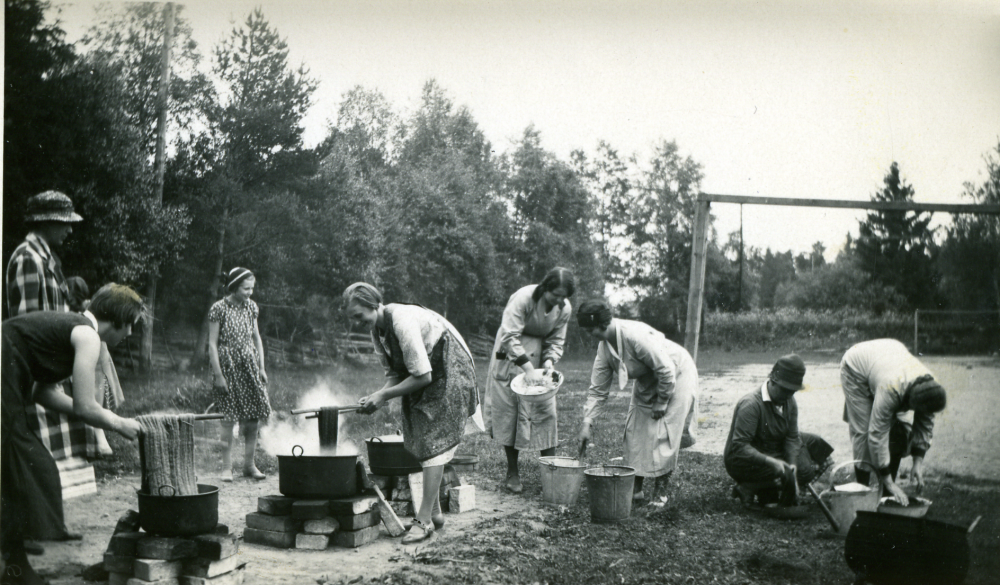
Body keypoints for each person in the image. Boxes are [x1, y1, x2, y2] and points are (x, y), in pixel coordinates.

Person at [1, 284, 144, 585]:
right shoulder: (88, 336)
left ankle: (14, 562)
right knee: (21, 463)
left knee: (24, 464)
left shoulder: (77, 330)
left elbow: (44, 393)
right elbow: (85, 407)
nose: (129, 333)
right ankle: (16, 567)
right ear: (117, 320)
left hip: (9, 377)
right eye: (130, 325)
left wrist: (98, 414)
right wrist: (119, 423)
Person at [344, 283, 480, 544]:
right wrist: (378, 396)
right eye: (352, 318)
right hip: (428, 372)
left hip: (449, 366)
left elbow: (424, 376)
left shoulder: (402, 321)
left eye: (359, 316)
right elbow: (395, 375)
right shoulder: (378, 330)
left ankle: (424, 519)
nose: (357, 322)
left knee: (434, 440)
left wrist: (384, 396)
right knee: (418, 433)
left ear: (374, 305)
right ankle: (436, 514)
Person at [4, 191, 101, 550]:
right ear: (45, 222)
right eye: (65, 223)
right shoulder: (27, 258)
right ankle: (21, 531)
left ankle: (44, 524)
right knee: (24, 454)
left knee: (42, 457)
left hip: (42, 364)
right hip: (24, 368)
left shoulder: (48, 259)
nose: (70, 231)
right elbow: (28, 320)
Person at [576, 300, 699, 503]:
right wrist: (586, 424)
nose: (590, 335)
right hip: (648, 377)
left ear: (602, 323)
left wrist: (662, 400)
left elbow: (666, 369)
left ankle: (660, 493)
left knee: (664, 431)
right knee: (635, 429)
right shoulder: (604, 348)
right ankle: (636, 489)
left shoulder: (634, 335)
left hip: (676, 372)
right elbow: (598, 390)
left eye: (591, 330)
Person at [486, 267, 574, 494]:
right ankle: (512, 472)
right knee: (510, 413)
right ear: (545, 287)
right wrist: (527, 368)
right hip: (510, 355)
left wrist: (548, 363)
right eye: (555, 294)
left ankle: (551, 470)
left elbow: (556, 340)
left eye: (564, 296)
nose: (559, 300)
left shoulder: (563, 308)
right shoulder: (523, 298)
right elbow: (508, 335)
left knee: (547, 411)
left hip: (539, 355)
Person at [840, 339, 947, 506]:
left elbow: (925, 424)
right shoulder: (891, 389)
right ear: (909, 401)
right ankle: (862, 493)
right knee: (864, 432)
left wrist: (917, 463)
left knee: (900, 431)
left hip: (889, 357)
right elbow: (876, 434)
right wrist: (888, 479)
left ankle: (887, 493)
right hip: (856, 367)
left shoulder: (931, 389)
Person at [724, 354, 834, 507]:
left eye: (793, 391)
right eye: (785, 390)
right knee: (800, 470)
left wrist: (792, 466)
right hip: (742, 461)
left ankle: (762, 487)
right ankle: (752, 486)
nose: (789, 395)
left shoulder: (789, 401)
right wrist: (771, 462)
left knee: (810, 453)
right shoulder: (751, 404)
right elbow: (740, 447)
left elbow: (792, 437)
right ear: (773, 381)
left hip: (771, 447)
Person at [207, 267, 271, 481]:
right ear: (233, 286)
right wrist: (218, 375)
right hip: (227, 366)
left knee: (252, 419)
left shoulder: (251, 307)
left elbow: (257, 339)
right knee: (228, 418)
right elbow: (212, 344)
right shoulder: (219, 308)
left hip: (249, 365)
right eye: (246, 288)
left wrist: (261, 367)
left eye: (252, 288)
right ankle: (227, 467)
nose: (249, 292)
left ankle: (249, 465)